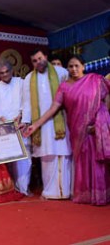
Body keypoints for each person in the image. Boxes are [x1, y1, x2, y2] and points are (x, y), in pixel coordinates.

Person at [25, 55, 110, 205]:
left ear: (83, 66)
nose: (74, 69)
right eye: (70, 66)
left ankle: (101, 195)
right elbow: (53, 108)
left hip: (95, 129)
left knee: (97, 163)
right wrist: (36, 124)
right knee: (83, 162)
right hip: (78, 130)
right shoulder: (64, 87)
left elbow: (106, 98)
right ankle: (87, 195)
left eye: (77, 65)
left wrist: (100, 120)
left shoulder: (95, 80)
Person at [22, 49, 71, 200]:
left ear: (46, 57)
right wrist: (25, 121)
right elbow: (27, 104)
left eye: (40, 58)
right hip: (40, 125)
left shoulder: (61, 72)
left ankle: (65, 191)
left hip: (60, 121)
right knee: (46, 157)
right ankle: (50, 191)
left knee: (62, 153)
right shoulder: (29, 78)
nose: (38, 62)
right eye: (34, 61)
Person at [0, 60, 32, 195]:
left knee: (25, 158)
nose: (5, 75)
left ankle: (23, 188)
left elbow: (27, 101)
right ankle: (13, 188)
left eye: (7, 71)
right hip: (5, 126)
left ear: (12, 70)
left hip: (20, 124)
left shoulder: (21, 82)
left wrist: (21, 116)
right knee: (9, 159)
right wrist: (2, 119)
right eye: (1, 73)